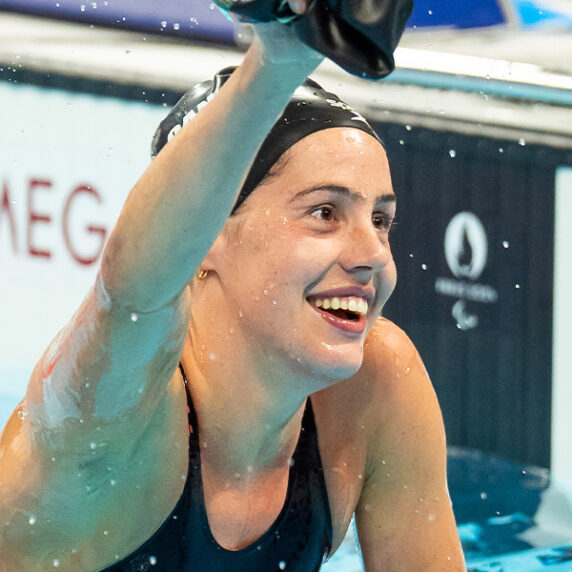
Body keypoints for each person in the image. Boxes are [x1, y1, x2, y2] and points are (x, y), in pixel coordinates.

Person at [0, 5, 465, 571]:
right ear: (207, 236)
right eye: (324, 212)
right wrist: (277, 63)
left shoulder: (374, 387)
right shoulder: (117, 415)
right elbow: (130, 294)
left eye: (380, 221)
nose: (372, 256)